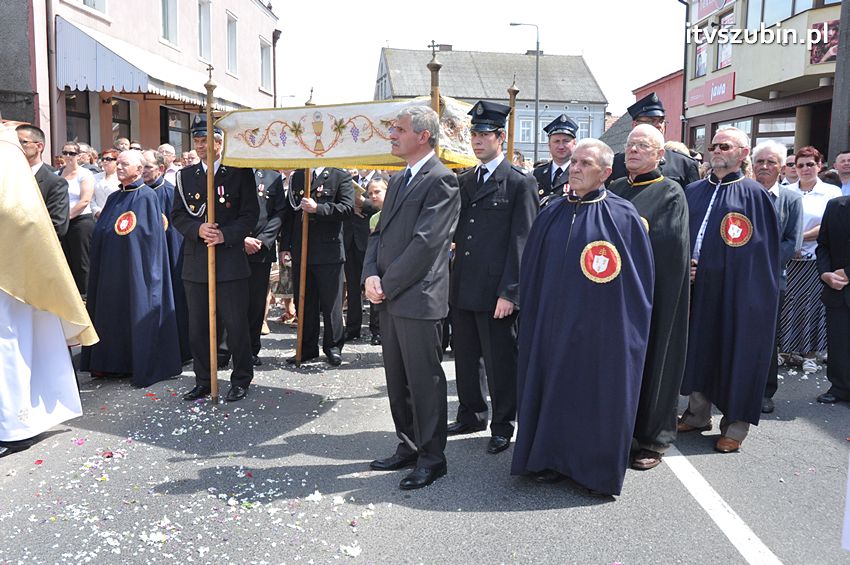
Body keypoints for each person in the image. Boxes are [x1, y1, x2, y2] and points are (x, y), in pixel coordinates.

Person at [511, 138, 654, 495]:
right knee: (552, 387)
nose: (574, 168)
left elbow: (638, 283)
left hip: (599, 330)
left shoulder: (623, 217)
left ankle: (591, 468)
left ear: (606, 173)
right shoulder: (551, 211)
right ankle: (549, 458)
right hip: (552, 326)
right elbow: (532, 270)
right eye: (573, 162)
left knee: (593, 393)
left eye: (585, 164)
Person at [363, 105, 460, 490]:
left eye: (398, 129)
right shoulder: (400, 179)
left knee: (424, 382)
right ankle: (408, 443)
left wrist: (386, 283)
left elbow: (426, 245)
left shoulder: (442, 180)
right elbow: (378, 234)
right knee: (398, 379)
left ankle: (433, 458)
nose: (391, 134)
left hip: (418, 299)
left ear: (423, 135)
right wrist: (370, 273)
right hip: (390, 296)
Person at [678, 127, 780, 453]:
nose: (717, 149)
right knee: (698, 349)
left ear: (742, 153)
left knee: (737, 352)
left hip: (738, 292)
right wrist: (683, 266)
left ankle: (735, 426)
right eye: (714, 145)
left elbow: (763, 254)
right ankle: (696, 414)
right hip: (696, 288)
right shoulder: (692, 190)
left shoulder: (755, 195)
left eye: (725, 145)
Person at [0, 119, 97, 456]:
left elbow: (50, 226)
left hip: (22, 277)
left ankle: (17, 423)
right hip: (17, 275)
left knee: (14, 347)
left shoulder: (48, 183)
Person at [446, 100, 538, 456]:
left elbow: (523, 242)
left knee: (500, 362)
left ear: (502, 137)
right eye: (474, 133)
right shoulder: (466, 179)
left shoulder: (518, 183)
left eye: (485, 134)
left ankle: (502, 425)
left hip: (497, 290)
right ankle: (471, 412)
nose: (477, 140)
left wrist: (510, 293)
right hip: (464, 284)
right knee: (465, 356)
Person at [608, 124, 690, 471]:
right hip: (612, 294)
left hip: (650, 294)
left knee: (654, 362)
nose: (634, 150)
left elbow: (668, 250)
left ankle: (653, 439)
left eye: (643, 145)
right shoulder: (613, 188)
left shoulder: (670, 192)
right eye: (630, 144)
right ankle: (615, 432)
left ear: (660, 155)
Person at [173, 116, 259, 403]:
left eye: (205, 141)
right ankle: (204, 379)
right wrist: (197, 229)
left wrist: (225, 235)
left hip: (230, 262)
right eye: (196, 141)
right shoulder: (185, 177)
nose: (200, 146)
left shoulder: (238, 172)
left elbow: (250, 215)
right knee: (198, 328)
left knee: (235, 326)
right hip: (197, 262)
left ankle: (241, 378)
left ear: (220, 143)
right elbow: (178, 216)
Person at [80, 151, 182, 386]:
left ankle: (134, 363)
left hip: (135, 269)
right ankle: (111, 363)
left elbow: (148, 238)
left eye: (126, 164)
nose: (120, 167)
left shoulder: (146, 196)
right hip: (111, 269)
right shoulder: (115, 197)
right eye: (119, 163)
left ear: (139, 169)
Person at [279, 167, 354, 366]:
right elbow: (290, 214)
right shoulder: (298, 176)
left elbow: (347, 208)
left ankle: (333, 347)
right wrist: (285, 245)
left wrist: (318, 208)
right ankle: (306, 348)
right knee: (304, 301)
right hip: (301, 250)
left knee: (331, 304)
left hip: (329, 252)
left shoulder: (340, 175)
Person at [751, 141, 804, 414]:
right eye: (759, 161)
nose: (764, 167)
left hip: (772, 279)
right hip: (737, 280)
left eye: (770, 162)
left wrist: (762, 267)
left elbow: (791, 241)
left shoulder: (792, 200)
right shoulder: (742, 195)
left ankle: (764, 392)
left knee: (767, 338)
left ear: (782, 168)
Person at [779, 147, 842, 373]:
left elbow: (827, 224)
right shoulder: (785, 190)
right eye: (800, 165)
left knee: (812, 307)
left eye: (810, 164)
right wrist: (790, 245)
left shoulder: (831, 193)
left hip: (815, 258)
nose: (805, 169)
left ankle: (810, 354)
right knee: (788, 306)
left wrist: (797, 239)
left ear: (820, 165)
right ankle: (786, 351)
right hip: (789, 259)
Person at [142, 149, 191, 363]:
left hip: (170, 256)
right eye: (141, 167)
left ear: (161, 169)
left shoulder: (169, 192)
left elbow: (176, 231)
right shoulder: (139, 193)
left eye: (148, 167)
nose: (143, 171)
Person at [608, 92, 700, 190]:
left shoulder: (684, 164)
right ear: (635, 125)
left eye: (661, 121)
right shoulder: (615, 163)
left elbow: (693, 201)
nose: (659, 125)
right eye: (651, 120)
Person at [246, 169, 286, 365]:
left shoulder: (273, 177)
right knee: (230, 301)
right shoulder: (231, 172)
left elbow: (279, 213)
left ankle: (252, 349)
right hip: (234, 246)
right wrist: (241, 239)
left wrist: (262, 240)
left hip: (261, 250)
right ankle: (224, 349)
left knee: (256, 302)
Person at [816, 191, 850, 404]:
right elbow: (823, 245)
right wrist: (824, 273)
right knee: (838, 340)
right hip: (836, 288)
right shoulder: (835, 205)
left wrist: (848, 272)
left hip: (843, 278)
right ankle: (839, 386)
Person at [15, 124, 69, 239]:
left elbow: (58, 226)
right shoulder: (9, 177)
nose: (17, 146)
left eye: (22, 142)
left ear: (39, 146)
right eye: (14, 142)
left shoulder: (55, 182)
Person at [60, 141, 96, 297]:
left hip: (81, 221)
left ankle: (85, 295)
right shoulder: (57, 174)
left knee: (81, 261)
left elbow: (85, 200)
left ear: (78, 156)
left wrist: (67, 217)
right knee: (65, 259)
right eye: (65, 153)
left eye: (72, 153)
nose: (68, 156)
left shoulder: (85, 174)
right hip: (63, 222)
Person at [342, 178, 375, 341]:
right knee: (353, 289)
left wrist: (362, 202)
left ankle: (377, 330)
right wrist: (352, 207)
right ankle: (352, 328)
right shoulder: (345, 180)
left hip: (368, 242)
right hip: (349, 242)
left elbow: (381, 207)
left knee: (373, 285)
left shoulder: (376, 182)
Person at [532, 114, 577, 207]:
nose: (561, 146)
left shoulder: (580, 172)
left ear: (574, 143)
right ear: (549, 144)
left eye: (566, 141)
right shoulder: (537, 173)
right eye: (556, 141)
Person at [365, 177, 387, 345]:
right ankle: (377, 331)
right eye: (370, 193)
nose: (373, 196)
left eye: (377, 191)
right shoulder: (374, 218)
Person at [90, 149, 120, 219]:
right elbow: (91, 199)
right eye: (103, 159)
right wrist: (97, 211)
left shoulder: (121, 178)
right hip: (97, 217)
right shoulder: (95, 177)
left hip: (115, 216)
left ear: (117, 161)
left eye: (108, 159)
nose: (105, 161)